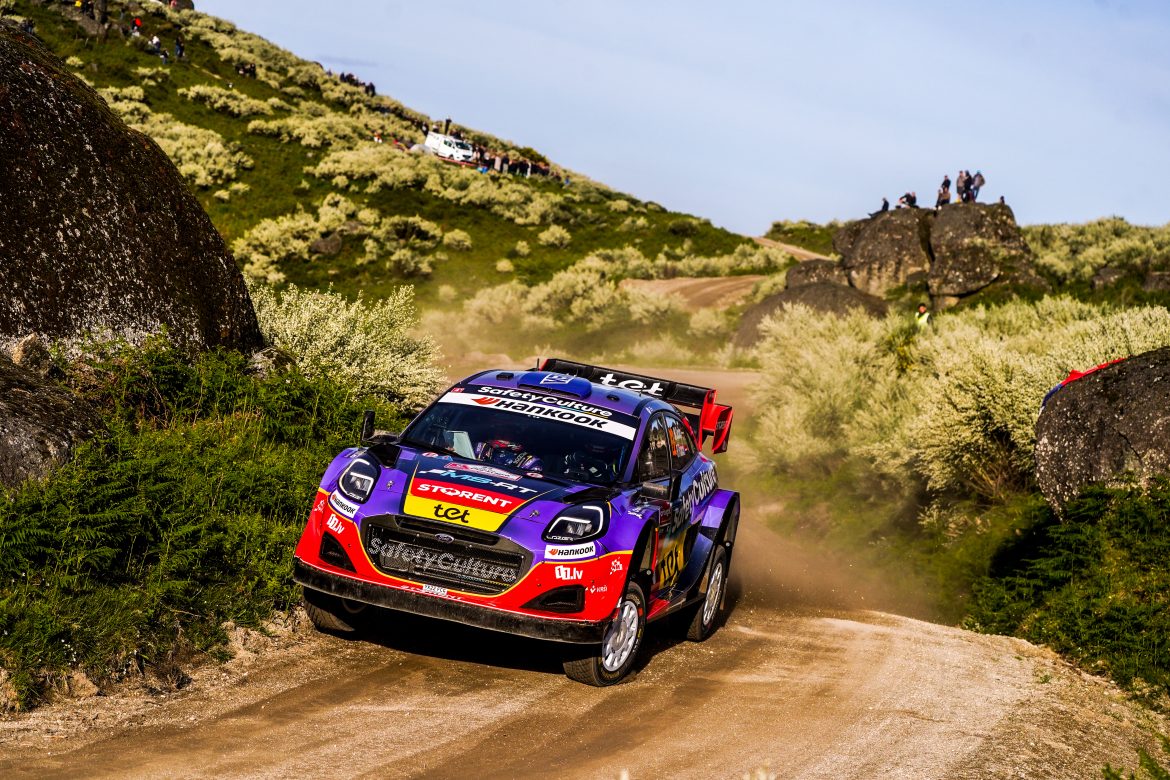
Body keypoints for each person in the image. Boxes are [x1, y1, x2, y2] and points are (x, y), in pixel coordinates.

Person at [474, 420, 543, 471]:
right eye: (498, 431)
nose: (500, 436)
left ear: (517, 436)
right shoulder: (481, 447)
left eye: (506, 432)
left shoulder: (530, 460)